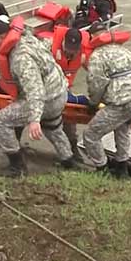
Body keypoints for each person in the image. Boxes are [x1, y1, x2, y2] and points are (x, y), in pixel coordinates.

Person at [0, 17, 75, 177]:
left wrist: (34, 120)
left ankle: (17, 166)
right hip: (59, 93)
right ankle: (68, 160)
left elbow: (35, 89)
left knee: (0, 121)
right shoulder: (27, 37)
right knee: (53, 127)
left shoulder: (20, 58)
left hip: (45, 99)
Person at [82, 22, 131, 177]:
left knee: (90, 135)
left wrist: (93, 104)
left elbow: (96, 83)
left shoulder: (97, 55)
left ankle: (102, 169)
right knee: (122, 128)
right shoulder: (124, 50)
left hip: (122, 101)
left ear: (92, 37)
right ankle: (122, 168)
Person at [43, 25, 91, 161]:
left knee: (70, 121)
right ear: (63, 41)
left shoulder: (83, 54)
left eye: (73, 50)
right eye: (68, 48)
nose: (70, 52)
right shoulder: (48, 47)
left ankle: (73, 149)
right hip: (47, 87)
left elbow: (94, 72)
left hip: (65, 89)